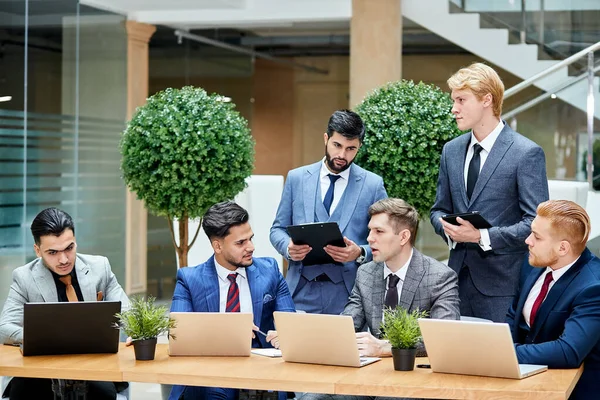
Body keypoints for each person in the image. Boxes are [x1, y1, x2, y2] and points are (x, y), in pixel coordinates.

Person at [294, 198, 460, 400]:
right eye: (370, 230)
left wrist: (385, 347)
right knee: (311, 397)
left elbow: (445, 341)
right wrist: (299, 337)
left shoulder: (440, 277)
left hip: (413, 381)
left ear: (403, 237)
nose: (370, 238)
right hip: (367, 378)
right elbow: (347, 323)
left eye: (379, 231)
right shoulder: (365, 273)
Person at [430, 62, 549, 322]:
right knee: (453, 361)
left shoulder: (525, 153)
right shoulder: (451, 150)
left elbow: (536, 224)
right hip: (454, 284)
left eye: (461, 100)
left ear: (487, 99)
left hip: (502, 288)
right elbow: (439, 208)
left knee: (497, 363)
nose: (454, 108)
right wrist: (449, 231)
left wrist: (480, 236)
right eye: (454, 100)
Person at [169, 201, 295, 400]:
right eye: (240, 243)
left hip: (261, 371)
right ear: (217, 246)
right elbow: (179, 337)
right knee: (215, 391)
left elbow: (291, 324)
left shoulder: (270, 271)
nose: (251, 247)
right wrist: (229, 332)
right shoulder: (189, 280)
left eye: (250, 239)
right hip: (212, 372)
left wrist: (284, 335)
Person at [0, 207, 130, 400]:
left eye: (69, 248)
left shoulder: (100, 268)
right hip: (39, 372)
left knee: (103, 393)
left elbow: (128, 312)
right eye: (52, 252)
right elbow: (4, 328)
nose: (63, 259)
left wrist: (138, 332)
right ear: (37, 251)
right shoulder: (24, 277)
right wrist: (44, 339)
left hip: (92, 368)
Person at [270, 109, 387, 315]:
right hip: (299, 292)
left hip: (350, 295)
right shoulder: (297, 178)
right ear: (326, 139)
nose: (342, 155)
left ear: (359, 147)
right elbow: (277, 230)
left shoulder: (373, 185)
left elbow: (386, 238)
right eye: (337, 145)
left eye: (351, 148)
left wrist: (360, 253)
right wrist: (288, 248)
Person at [507, 200, 600, 400]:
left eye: (537, 237)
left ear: (562, 248)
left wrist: (506, 353)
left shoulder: (594, 287)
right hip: (525, 384)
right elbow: (514, 315)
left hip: (574, 391)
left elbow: (568, 351)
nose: (528, 241)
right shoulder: (533, 262)